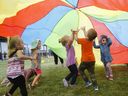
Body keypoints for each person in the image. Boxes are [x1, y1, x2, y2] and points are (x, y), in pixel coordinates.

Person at [75, 27, 99, 91]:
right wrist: (84, 30)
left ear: (88, 35)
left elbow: (76, 39)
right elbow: (88, 37)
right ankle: (95, 87)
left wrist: (76, 33)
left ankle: (87, 82)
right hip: (92, 60)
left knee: (80, 70)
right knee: (92, 73)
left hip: (85, 60)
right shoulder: (91, 40)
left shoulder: (84, 40)